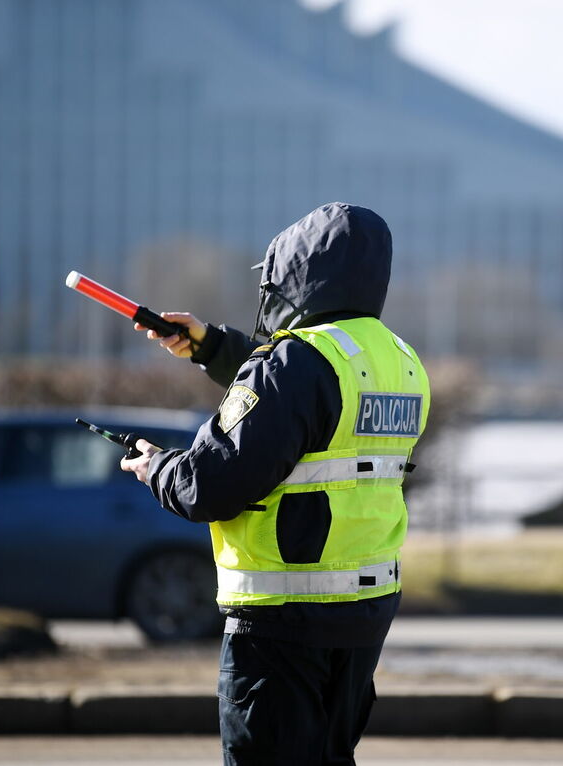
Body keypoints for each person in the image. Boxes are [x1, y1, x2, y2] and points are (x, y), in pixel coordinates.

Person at [119, 202, 431, 765]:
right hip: (363, 612)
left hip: (284, 620)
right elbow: (311, 407)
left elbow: (210, 483)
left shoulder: (296, 364)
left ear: (294, 275)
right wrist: (213, 346)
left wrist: (156, 467)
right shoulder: (399, 361)